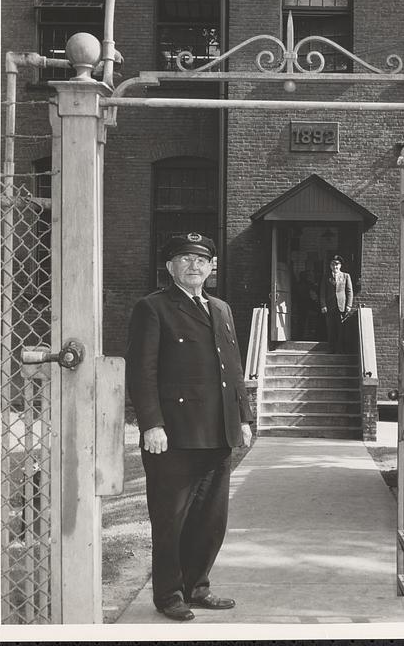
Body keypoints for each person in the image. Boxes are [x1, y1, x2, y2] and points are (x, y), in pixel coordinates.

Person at [125, 232, 253, 621]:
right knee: (171, 521)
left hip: (218, 433)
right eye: (184, 259)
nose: (194, 265)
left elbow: (232, 368)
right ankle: (168, 595)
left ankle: (198, 587)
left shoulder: (222, 309)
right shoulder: (153, 308)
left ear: (212, 267)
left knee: (210, 522)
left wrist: (243, 417)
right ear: (169, 267)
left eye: (201, 260)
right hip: (175, 436)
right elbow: (141, 371)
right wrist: (152, 424)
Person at [319, 255, 353, 353]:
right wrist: (323, 305)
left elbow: (349, 291)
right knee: (331, 329)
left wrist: (349, 305)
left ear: (340, 265)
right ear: (330, 266)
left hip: (341, 306)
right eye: (333, 264)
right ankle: (331, 349)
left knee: (341, 329)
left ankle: (340, 350)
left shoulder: (346, 276)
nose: (335, 266)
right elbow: (322, 292)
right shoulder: (326, 277)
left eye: (337, 264)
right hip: (330, 307)